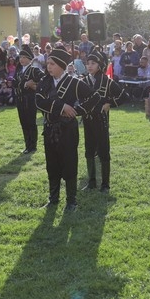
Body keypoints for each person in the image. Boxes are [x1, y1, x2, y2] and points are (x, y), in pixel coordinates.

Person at [35, 46, 99, 211]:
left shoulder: (74, 82)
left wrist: (78, 112)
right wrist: (62, 106)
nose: (48, 66)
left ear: (62, 65)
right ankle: (53, 199)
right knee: (52, 164)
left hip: (68, 130)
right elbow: (39, 102)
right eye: (48, 63)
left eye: (52, 63)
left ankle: (71, 201)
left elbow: (95, 97)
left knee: (70, 163)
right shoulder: (45, 82)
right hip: (50, 130)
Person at [82, 50, 129, 192]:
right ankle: (91, 181)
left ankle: (105, 184)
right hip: (87, 121)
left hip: (101, 121)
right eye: (88, 63)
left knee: (103, 151)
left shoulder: (108, 82)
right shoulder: (83, 81)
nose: (89, 66)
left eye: (93, 63)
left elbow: (124, 97)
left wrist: (110, 103)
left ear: (100, 65)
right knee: (89, 151)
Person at [13, 45, 44, 154]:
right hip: (20, 99)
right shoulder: (18, 70)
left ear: (30, 59)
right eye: (20, 57)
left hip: (30, 99)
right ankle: (27, 145)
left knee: (31, 122)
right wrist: (25, 84)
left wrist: (35, 86)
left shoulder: (34, 70)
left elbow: (44, 79)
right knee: (23, 122)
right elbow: (13, 83)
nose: (21, 59)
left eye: (24, 57)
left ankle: (33, 146)